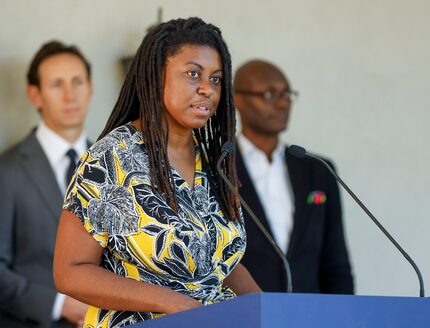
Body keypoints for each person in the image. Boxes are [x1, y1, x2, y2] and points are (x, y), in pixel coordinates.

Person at [53, 17, 261, 327]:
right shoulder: (111, 160)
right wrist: (171, 302)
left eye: (216, 79)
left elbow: (219, 264)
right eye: (193, 74)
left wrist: (268, 308)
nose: (207, 89)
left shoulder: (215, 162)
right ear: (156, 76)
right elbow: (71, 271)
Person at [233, 59, 354, 294]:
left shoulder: (319, 169)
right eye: (269, 94)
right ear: (237, 99)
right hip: (243, 315)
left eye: (287, 94)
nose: (282, 103)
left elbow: (336, 263)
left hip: (310, 316)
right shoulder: (218, 169)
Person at [0, 41, 92, 327]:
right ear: (35, 95)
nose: (70, 95)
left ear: (90, 88)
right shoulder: (7, 170)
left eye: (77, 82)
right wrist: (58, 304)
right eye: (56, 85)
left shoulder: (112, 165)